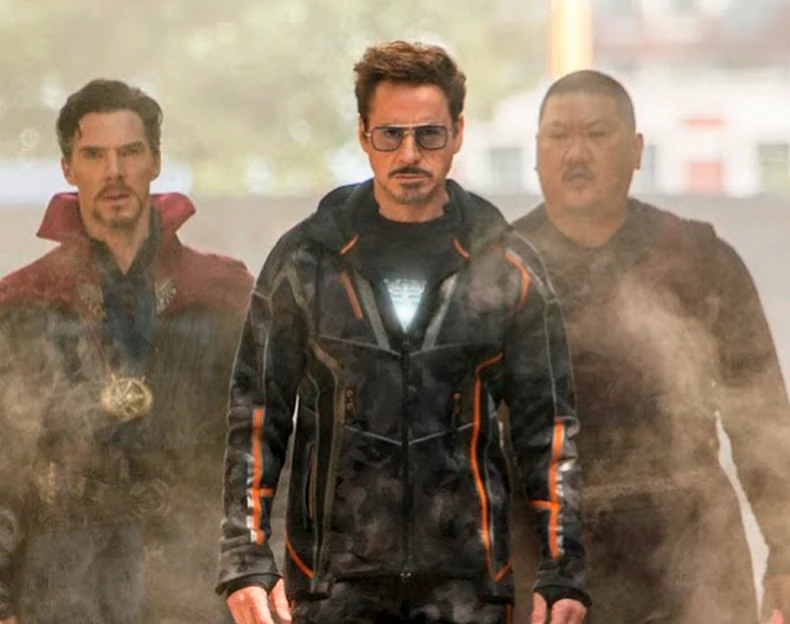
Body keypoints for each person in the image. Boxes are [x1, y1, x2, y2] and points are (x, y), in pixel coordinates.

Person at [216, 41, 590, 624]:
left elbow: (550, 433)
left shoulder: (507, 266)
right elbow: (257, 419)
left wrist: (564, 569)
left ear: (458, 133)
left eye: (429, 135)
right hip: (332, 588)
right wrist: (244, 557)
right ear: (363, 134)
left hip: (468, 591)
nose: (409, 154)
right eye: (391, 134)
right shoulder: (306, 262)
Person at [513, 69, 790, 624]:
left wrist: (784, 554)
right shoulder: (501, 271)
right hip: (547, 557)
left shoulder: (700, 258)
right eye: (559, 135)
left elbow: (762, 419)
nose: (576, 153)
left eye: (597, 134)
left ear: (637, 150)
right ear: (536, 152)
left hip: (692, 548)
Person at [0, 79, 253, 623]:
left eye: (130, 152)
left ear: (155, 161)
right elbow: (3, 461)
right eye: (94, 155)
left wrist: (261, 575)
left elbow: (261, 449)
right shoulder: (21, 303)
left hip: (195, 580)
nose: (113, 172)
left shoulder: (224, 294)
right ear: (68, 168)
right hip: (62, 584)